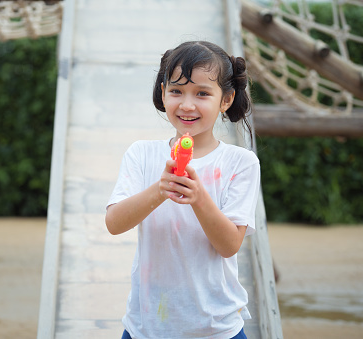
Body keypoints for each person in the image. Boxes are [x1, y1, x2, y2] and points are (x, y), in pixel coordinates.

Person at [105, 40, 260, 339]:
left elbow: (229, 245)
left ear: (226, 99)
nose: (187, 104)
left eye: (202, 93)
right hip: (146, 327)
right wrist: (159, 190)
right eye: (176, 91)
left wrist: (199, 198)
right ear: (163, 93)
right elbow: (114, 223)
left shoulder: (240, 163)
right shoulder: (142, 154)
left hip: (217, 328)